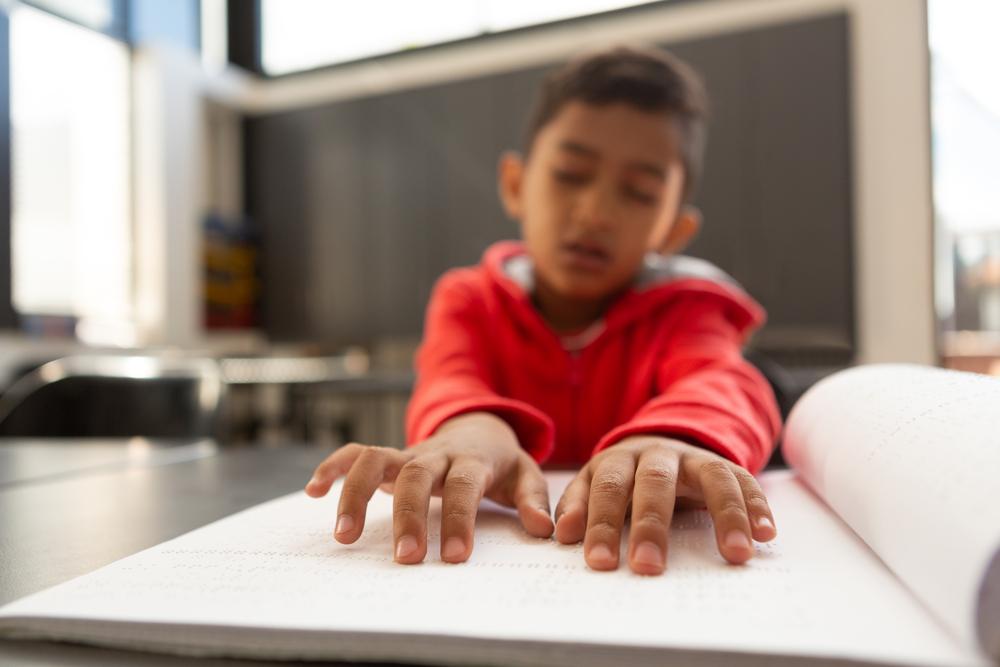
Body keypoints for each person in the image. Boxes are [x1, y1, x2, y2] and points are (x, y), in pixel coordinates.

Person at [305, 45, 782, 576]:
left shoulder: (689, 310)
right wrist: (471, 427)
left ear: (673, 232)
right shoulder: (469, 300)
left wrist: (676, 439)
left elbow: (725, 383)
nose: (595, 212)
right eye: (571, 174)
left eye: (640, 193)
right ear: (515, 185)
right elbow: (450, 380)